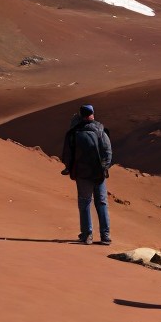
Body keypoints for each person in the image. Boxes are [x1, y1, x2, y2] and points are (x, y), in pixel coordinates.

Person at [61, 104, 112, 245]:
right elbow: (108, 151)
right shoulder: (100, 129)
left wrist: (70, 169)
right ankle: (105, 236)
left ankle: (87, 235)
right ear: (92, 114)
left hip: (82, 174)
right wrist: (104, 168)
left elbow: (67, 154)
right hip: (98, 174)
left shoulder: (74, 131)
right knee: (102, 203)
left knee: (84, 203)